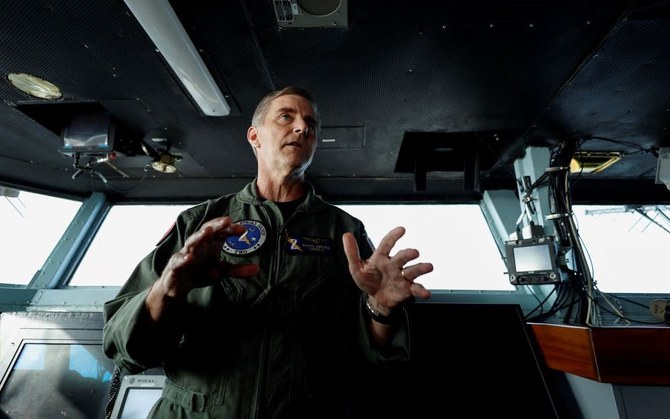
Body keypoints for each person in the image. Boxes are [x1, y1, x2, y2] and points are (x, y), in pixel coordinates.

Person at [102, 86, 434, 418]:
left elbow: (372, 357)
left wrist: (381, 308)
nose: (302, 128)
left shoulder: (344, 231)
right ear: (254, 136)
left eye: (311, 125)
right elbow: (125, 349)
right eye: (286, 117)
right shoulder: (200, 222)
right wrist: (167, 290)